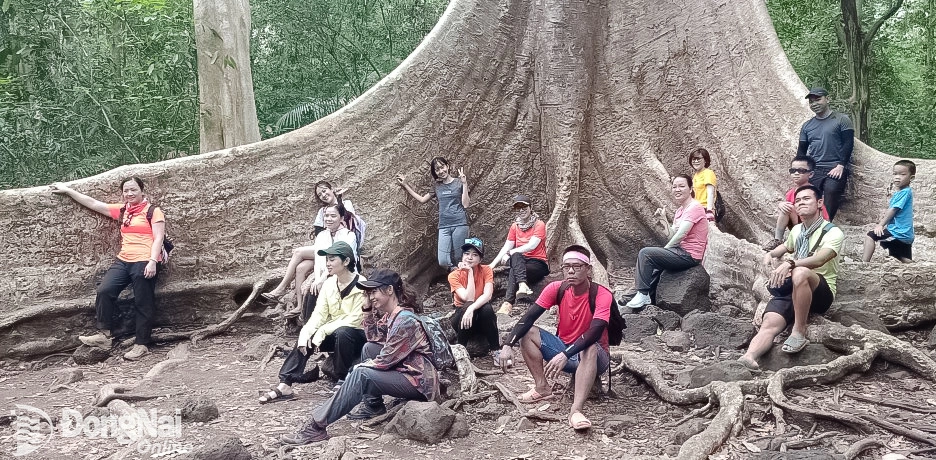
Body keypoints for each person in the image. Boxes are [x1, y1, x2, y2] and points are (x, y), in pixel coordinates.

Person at [281, 269, 440, 445]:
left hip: (419, 381)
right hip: (407, 370)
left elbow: (385, 360)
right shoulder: (391, 315)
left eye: (374, 292)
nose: (371, 297)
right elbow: (374, 339)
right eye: (368, 293)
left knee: (362, 373)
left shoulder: (405, 321)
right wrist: (366, 308)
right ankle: (373, 406)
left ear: (389, 290)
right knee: (369, 348)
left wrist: (354, 372)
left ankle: (316, 426)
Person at [496, 245, 612, 431]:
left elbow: (596, 332)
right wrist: (507, 344)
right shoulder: (556, 288)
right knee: (528, 332)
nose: (571, 271)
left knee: (588, 347)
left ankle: (576, 411)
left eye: (577, 266)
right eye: (566, 266)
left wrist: (566, 353)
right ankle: (542, 387)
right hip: (565, 351)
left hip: (595, 356)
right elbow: (528, 318)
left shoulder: (601, 294)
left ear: (588, 269)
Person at [50, 178, 167, 361]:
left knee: (143, 301)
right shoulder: (122, 210)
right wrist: (68, 190)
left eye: (133, 190)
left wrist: (153, 261)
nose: (129, 194)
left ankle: (141, 344)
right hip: (124, 259)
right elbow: (94, 204)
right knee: (104, 290)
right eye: (126, 190)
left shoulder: (153, 211)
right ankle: (104, 336)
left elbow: (158, 238)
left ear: (142, 191)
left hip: (145, 260)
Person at [739, 185, 844, 369]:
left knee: (800, 272)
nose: (801, 203)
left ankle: (799, 331)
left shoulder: (832, 231)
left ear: (819, 203)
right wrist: (771, 254)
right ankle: (749, 358)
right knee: (770, 323)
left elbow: (820, 259)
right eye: (798, 200)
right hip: (792, 288)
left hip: (820, 289)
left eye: (806, 199)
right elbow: (787, 247)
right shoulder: (797, 231)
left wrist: (791, 263)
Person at [259, 241, 367, 403]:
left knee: (343, 331)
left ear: (346, 262)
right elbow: (319, 315)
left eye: (332, 260)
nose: (327, 264)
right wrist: (305, 335)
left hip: (356, 336)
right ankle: (285, 384)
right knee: (310, 334)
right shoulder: (330, 283)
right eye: (327, 260)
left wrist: (322, 331)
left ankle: (343, 378)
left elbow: (355, 319)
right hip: (334, 333)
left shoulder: (361, 283)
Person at [624, 174, 709, 310]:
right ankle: (631, 298)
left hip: (689, 255)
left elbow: (681, 234)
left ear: (691, 188)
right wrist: (663, 219)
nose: (677, 189)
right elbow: (672, 235)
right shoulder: (680, 211)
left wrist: (667, 249)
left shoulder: (695, 207)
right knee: (651, 265)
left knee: (646, 254)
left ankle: (643, 294)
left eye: (681, 186)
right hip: (679, 251)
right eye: (674, 187)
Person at [262, 203, 357, 318]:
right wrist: (317, 280)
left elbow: (338, 261)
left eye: (333, 216)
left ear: (341, 218)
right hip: (325, 273)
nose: (329, 219)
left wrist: (322, 279)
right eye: (326, 216)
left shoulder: (348, 235)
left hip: (342, 274)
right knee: (312, 291)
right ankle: (306, 323)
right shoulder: (322, 235)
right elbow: (319, 259)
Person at [397, 157, 471, 270]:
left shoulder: (458, 182)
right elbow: (422, 199)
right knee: (443, 260)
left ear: (448, 166)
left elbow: (465, 204)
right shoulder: (437, 186)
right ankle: (454, 272)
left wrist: (464, 184)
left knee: (459, 257)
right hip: (444, 226)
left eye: (442, 167)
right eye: (437, 169)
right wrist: (406, 185)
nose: (441, 171)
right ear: (435, 172)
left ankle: (462, 284)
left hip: (460, 224)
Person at [797, 87, 855, 221]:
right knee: (808, 195)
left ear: (827, 99)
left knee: (831, 191)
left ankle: (825, 226)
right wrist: (800, 170)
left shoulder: (842, 119)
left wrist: (841, 165)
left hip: (834, 167)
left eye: (818, 99)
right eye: (811, 102)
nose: (814, 104)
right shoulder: (807, 126)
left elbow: (848, 144)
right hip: (814, 169)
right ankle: (806, 227)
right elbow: (802, 151)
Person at [489, 195, 549, 315]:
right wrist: (492, 264)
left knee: (514, 266)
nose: (521, 210)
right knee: (516, 258)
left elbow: (532, 245)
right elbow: (507, 246)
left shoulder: (539, 224)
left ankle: (508, 303)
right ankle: (522, 286)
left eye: (524, 207)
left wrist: (511, 253)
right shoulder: (515, 226)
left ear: (530, 208)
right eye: (518, 208)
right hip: (519, 261)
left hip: (537, 263)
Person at [762, 156, 830, 251]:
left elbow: (824, 217)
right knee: (786, 207)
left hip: (814, 228)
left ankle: (803, 239)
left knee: (790, 207)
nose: (796, 173)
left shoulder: (813, 192)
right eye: (793, 170)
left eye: (801, 170)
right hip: (798, 226)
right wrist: (781, 204)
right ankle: (777, 240)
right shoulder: (790, 193)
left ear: (810, 174)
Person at [448, 237, 500, 357]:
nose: (469, 257)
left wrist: (472, 309)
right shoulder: (454, 275)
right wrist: (470, 274)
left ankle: (496, 350)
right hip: (461, 318)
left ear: (480, 259)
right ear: (462, 256)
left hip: (479, 317)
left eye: (474, 254)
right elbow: (468, 298)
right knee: (467, 306)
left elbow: (487, 295)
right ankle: (460, 353)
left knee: (486, 308)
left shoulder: (486, 270)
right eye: (466, 254)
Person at [862, 160, 915, 263]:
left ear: (911, 178)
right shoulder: (904, 192)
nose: (897, 177)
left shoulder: (904, 192)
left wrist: (881, 225)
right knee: (900, 256)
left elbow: (894, 209)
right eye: (895, 174)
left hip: (898, 232)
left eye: (902, 174)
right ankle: (920, 271)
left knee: (870, 236)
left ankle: (864, 264)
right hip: (906, 234)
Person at [311, 181, 366, 255]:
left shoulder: (346, 204)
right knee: (301, 267)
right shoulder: (322, 211)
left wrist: (339, 198)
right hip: (326, 243)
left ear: (331, 189)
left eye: (324, 191)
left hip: (343, 243)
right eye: (320, 195)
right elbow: (318, 231)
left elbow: (347, 220)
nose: (323, 195)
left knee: (298, 253)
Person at [689, 148, 718, 221]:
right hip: (697, 208)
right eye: (693, 159)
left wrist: (709, 210)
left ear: (705, 160)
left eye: (698, 159)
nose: (696, 161)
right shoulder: (696, 175)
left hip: (705, 209)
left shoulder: (708, 173)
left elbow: (710, 192)